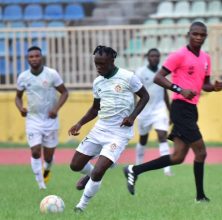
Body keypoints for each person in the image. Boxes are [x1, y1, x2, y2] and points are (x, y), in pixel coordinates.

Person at [123, 21, 222, 202]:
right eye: (195, 34)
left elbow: (204, 84)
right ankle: (200, 197)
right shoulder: (179, 55)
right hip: (180, 108)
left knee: (177, 157)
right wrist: (179, 89)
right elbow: (158, 77)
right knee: (201, 152)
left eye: (202, 35)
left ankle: (134, 170)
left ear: (205, 37)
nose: (198, 37)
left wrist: (214, 87)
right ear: (189, 34)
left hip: (191, 109)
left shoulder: (206, 58)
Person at [68, 45, 149, 212]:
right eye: (96, 64)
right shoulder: (97, 82)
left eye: (102, 64)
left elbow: (145, 96)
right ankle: (90, 175)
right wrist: (79, 123)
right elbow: (95, 108)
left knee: (98, 172)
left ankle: (80, 206)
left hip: (119, 133)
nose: (98, 67)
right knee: (75, 165)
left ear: (112, 61)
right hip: (100, 129)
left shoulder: (128, 77)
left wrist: (132, 117)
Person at [15, 46, 69, 190]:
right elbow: (18, 98)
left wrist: (56, 109)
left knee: (49, 156)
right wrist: (21, 108)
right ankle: (41, 183)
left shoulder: (52, 74)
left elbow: (64, 93)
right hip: (33, 120)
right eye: (31, 57)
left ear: (41, 57)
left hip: (50, 120)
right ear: (27, 59)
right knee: (35, 151)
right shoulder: (23, 77)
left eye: (37, 56)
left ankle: (48, 168)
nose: (34, 59)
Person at [135, 48, 173, 176]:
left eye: (157, 56)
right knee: (143, 140)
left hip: (159, 109)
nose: (155, 58)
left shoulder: (161, 72)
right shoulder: (140, 72)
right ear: (147, 57)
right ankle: (138, 164)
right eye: (152, 56)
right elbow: (135, 92)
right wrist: (134, 111)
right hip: (144, 111)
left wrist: (170, 111)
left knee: (162, 136)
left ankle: (167, 169)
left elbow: (165, 92)